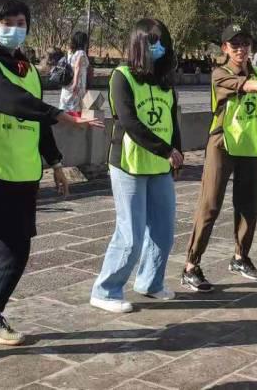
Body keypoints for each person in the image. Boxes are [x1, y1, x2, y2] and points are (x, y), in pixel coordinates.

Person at [0, 0, 102, 368]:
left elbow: (36, 119)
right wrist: (60, 113)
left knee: (17, 249)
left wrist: (55, 162)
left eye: (21, 22)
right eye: (8, 22)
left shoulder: (28, 69)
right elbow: (7, 97)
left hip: (22, 171)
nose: (15, 28)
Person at [181, 25, 257, 292]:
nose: (241, 49)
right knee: (210, 205)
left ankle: (240, 257)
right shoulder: (220, 74)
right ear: (225, 48)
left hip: (249, 145)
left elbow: (255, 110)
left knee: (249, 205)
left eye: (245, 44)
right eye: (234, 45)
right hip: (222, 144)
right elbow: (245, 87)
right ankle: (191, 265)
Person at [90, 18, 184, 313]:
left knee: (163, 232)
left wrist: (177, 152)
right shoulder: (122, 77)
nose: (159, 47)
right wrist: (166, 150)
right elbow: (129, 121)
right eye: (153, 41)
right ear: (139, 44)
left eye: (163, 42)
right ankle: (106, 291)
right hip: (128, 165)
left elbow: (172, 121)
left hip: (160, 167)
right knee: (131, 234)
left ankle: (150, 283)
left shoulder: (165, 81)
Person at [58, 31, 91, 115]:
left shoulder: (70, 52)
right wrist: (75, 83)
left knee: (66, 104)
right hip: (77, 82)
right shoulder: (81, 53)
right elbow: (77, 67)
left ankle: (65, 120)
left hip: (68, 81)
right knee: (75, 107)